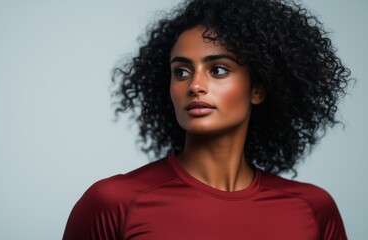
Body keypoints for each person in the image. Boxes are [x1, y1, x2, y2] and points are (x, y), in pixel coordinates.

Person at [63, 0, 351, 239]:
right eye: (182, 72)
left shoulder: (313, 209)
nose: (195, 85)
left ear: (257, 89)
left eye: (219, 70)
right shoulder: (115, 204)